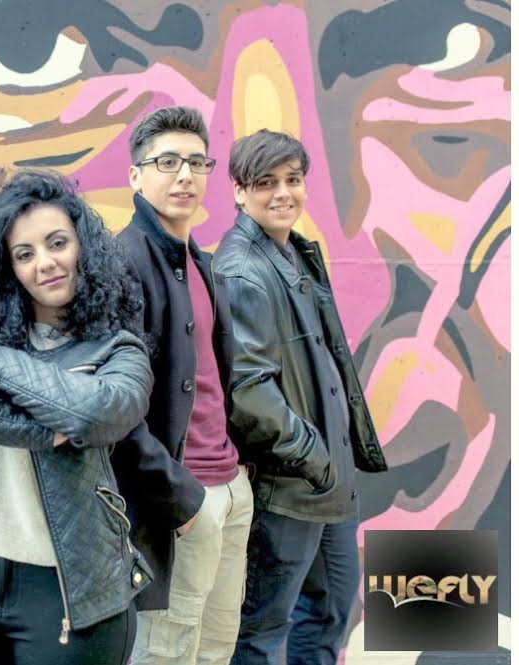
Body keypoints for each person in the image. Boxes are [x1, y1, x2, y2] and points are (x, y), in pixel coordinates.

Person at [0, 170, 154, 665]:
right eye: (24, 254)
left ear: (84, 248)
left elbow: (94, 413)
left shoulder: (118, 351)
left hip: (70, 590)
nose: (45, 263)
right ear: (7, 269)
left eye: (57, 243)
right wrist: (40, 430)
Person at [213, 129, 388, 664]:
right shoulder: (243, 270)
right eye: (266, 182)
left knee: (330, 609)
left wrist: (331, 466)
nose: (283, 193)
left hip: (325, 484)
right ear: (239, 191)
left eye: (293, 180)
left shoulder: (295, 252)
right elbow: (248, 391)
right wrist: (314, 458)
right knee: (262, 631)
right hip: (288, 486)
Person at [114, 105, 253, 665]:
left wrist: (236, 477)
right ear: (135, 175)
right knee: (165, 653)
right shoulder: (123, 262)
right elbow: (115, 407)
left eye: (197, 162)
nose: (185, 175)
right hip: (180, 497)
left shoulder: (199, 261)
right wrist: (179, 496)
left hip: (229, 486)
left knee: (215, 650)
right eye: (167, 162)